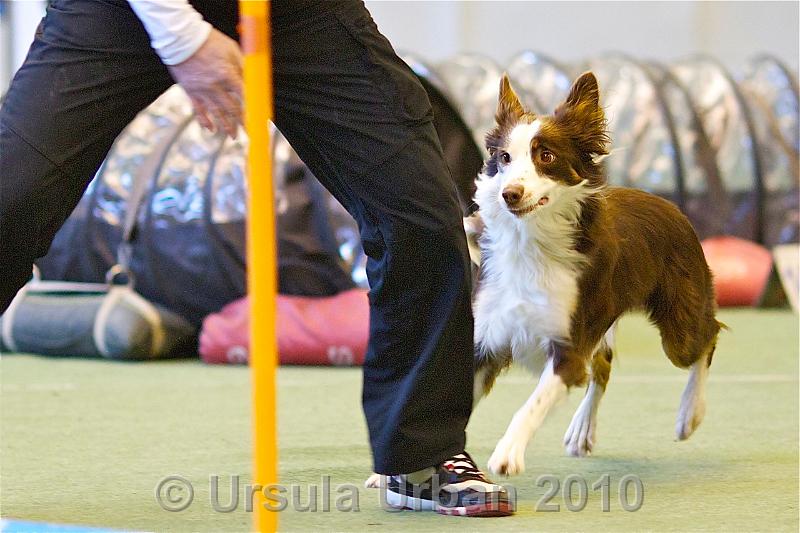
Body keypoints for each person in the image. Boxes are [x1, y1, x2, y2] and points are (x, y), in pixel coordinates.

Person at [0, 0, 512, 516]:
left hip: (298, 12)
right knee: (11, 200)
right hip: (121, 11)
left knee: (420, 215)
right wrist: (182, 37)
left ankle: (421, 456)